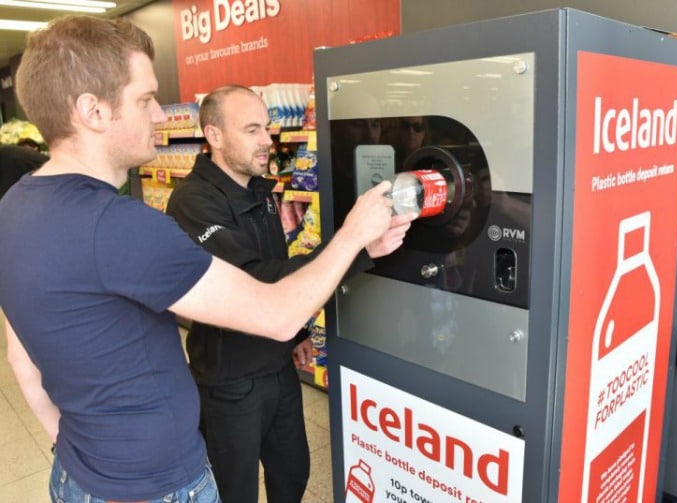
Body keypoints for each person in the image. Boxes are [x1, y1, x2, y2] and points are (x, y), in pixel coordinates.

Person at [0, 15, 413, 503]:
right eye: (145, 98)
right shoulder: (122, 225)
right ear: (93, 110)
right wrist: (352, 236)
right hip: (156, 486)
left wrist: (73, 452)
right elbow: (276, 314)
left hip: (78, 474)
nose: (158, 115)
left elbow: (21, 360)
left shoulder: (15, 207)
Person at [166, 85, 410, 503]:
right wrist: (353, 244)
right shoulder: (192, 203)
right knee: (234, 491)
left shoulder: (259, 189)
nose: (267, 140)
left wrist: (297, 333)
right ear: (215, 135)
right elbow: (259, 280)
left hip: (278, 366)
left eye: (268, 127)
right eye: (252, 129)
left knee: (293, 472)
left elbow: (279, 265)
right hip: (230, 381)